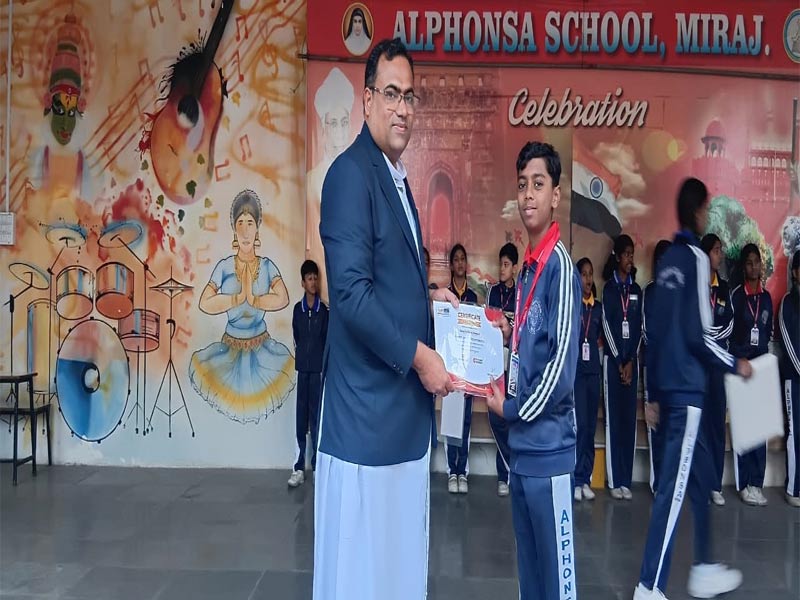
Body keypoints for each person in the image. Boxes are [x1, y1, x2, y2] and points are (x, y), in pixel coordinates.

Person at [314, 38, 457, 600]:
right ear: (368, 99)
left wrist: (430, 300)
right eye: (391, 94)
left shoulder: (393, 176)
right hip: (367, 428)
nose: (402, 108)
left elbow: (385, 279)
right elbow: (351, 295)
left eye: (410, 96)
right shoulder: (351, 175)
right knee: (363, 580)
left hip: (397, 425)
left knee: (396, 576)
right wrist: (421, 358)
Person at [633, 177, 750, 600]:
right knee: (672, 490)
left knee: (699, 482)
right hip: (688, 394)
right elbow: (699, 336)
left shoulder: (667, 261)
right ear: (699, 212)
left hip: (670, 390)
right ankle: (649, 586)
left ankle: (702, 568)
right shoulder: (697, 259)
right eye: (706, 209)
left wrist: (653, 394)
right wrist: (735, 363)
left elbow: (657, 332)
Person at [486, 141, 581, 600]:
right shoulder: (527, 269)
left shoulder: (559, 268)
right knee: (531, 580)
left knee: (558, 584)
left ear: (555, 195)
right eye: (522, 184)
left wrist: (512, 408)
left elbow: (561, 371)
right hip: (523, 451)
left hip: (550, 451)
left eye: (538, 184)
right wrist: (508, 333)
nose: (528, 195)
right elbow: (534, 342)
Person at [190, 189, 295, 424]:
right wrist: (236, 299)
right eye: (240, 223)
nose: (246, 231)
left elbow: (283, 298)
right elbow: (204, 302)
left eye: (250, 223)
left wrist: (256, 300)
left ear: (257, 228)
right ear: (234, 229)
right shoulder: (225, 267)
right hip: (229, 352)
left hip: (263, 351)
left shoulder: (266, 266)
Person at [306, 67, 356, 303]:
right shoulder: (313, 179)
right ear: (324, 127)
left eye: (344, 122)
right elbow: (315, 243)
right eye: (333, 123)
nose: (339, 131)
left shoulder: (360, 177)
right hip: (326, 284)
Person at [730, 244, 773, 506]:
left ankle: (757, 482)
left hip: (761, 368)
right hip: (742, 367)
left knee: (760, 427)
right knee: (745, 427)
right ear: (743, 266)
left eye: (757, 262)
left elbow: (767, 333)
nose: (754, 266)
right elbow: (730, 335)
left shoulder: (766, 298)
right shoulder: (736, 296)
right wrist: (739, 358)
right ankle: (744, 483)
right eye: (749, 262)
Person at [601, 233, 643, 500]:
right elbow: (606, 326)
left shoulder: (636, 291)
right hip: (613, 364)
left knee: (629, 421)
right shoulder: (609, 289)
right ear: (617, 256)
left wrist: (631, 361)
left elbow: (638, 329)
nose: (630, 259)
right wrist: (619, 361)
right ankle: (615, 479)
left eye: (632, 255)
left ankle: (626, 479)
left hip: (631, 364)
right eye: (626, 254)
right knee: (614, 421)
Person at [700, 233, 734, 506]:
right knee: (697, 426)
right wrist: (707, 338)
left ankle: (714, 484)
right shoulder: (695, 287)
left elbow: (730, 324)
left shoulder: (723, 288)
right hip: (698, 367)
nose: (719, 255)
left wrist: (710, 337)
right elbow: (692, 325)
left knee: (716, 426)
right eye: (715, 250)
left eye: (721, 250)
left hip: (718, 368)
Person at [288, 260, 328, 488]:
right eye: (309, 279)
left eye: (315, 278)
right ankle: (298, 467)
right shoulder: (298, 310)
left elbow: (326, 340)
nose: (313, 282)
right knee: (300, 419)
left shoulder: (324, 311)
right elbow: (297, 337)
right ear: (303, 283)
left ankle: (318, 464)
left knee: (316, 418)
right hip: (302, 370)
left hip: (318, 372)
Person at [445, 243, 479, 494]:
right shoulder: (445, 296)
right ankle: (451, 471)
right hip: (449, 366)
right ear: (450, 264)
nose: (459, 263)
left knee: (465, 420)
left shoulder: (473, 298)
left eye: (462, 259)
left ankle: (462, 472)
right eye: (455, 259)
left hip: (467, 368)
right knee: (451, 420)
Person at [485, 242, 518, 497]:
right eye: (500, 264)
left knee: (512, 416)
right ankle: (505, 471)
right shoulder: (493, 292)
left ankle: (509, 472)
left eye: (506, 265)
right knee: (496, 415)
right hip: (496, 361)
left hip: (514, 362)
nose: (502, 269)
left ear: (515, 267)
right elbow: (487, 325)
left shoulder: (520, 293)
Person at [642, 240, 672, 496]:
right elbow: (646, 331)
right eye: (660, 260)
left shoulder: (677, 292)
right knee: (655, 423)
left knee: (671, 425)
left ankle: (670, 481)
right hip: (653, 365)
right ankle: (657, 481)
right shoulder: (649, 292)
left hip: (674, 371)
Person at [573, 257, 601, 502]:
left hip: (593, 373)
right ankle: (575, 478)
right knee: (579, 426)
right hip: (577, 374)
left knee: (591, 427)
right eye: (583, 274)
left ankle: (586, 478)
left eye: (590, 274)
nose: (588, 279)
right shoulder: (573, 306)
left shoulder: (598, 308)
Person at [779, 250, 800, 508]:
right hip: (793, 379)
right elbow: (786, 338)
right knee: (795, 432)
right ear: (795, 272)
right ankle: (793, 488)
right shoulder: (788, 302)